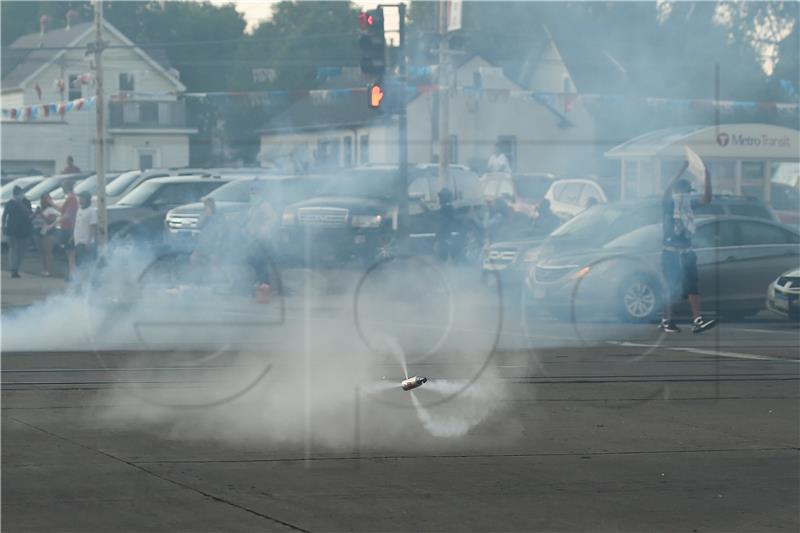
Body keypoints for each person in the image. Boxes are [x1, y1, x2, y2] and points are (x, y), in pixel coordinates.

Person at [659, 160, 717, 334]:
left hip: (687, 252)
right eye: (683, 192)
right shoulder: (668, 205)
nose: (686, 195)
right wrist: (681, 169)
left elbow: (706, 199)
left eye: (688, 192)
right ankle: (666, 320)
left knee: (692, 285)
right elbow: (666, 191)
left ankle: (697, 320)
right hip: (670, 253)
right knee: (670, 286)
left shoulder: (689, 207)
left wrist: (707, 178)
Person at [245, 198, 278, 303]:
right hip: (254, 240)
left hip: (263, 241)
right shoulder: (253, 207)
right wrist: (247, 230)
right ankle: (261, 285)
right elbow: (250, 222)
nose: (252, 193)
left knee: (261, 262)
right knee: (255, 261)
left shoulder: (265, 205)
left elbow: (273, 218)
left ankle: (264, 288)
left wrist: (264, 229)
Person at [2, 186, 33, 278]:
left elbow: (28, 213)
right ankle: (13, 270)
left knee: (21, 251)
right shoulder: (9, 203)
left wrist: (20, 203)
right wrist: (3, 226)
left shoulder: (26, 202)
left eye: (19, 193)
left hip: (24, 230)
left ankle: (17, 268)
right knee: (13, 250)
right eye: (16, 194)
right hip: (12, 230)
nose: (18, 195)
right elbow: (4, 215)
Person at [58, 179, 79, 280]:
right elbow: (64, 212)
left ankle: (73, 276)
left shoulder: (72, 199)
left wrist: (55, 222)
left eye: (63, 187)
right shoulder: (69, 199)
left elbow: (68, 214)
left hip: (69, 229)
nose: (62, 189)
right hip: (66, 228)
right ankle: (71, 275)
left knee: (71, 255)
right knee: (69, 254)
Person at [35, 192, 60, 276]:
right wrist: (36, 213)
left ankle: (48, 271)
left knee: (48, 251)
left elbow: (51, 221)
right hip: (39, 231)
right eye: (43, 199)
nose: (44, 201)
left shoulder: (51, 210)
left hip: (49, 232)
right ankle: (43, 269)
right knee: (41, 252)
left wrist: (41, 215)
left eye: (47, 199)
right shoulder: (40, 209)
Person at [73, 191, 97, 272]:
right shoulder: (79, 210)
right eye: (80, 198)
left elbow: (93, 227)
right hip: (77, 241)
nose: (80, 200)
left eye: (82, 198)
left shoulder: (91, 211)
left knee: (86, 263)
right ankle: (80, 280)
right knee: (79, 263)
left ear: (87, 199)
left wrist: (89, 242)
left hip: (85, 242)